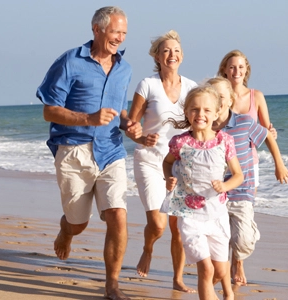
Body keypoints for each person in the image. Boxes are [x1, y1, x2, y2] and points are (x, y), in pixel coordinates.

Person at [36, 6, 139, 300]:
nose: (119, 38)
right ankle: (66, 230)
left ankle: (112, 284)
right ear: (96, 29)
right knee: (79, 223)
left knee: (118, 214)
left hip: (112, 150)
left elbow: (117, 109)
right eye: (114, 31)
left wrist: (130, 124)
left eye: (123, 33)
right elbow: (49, 111)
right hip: (73, 151)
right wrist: (88, 119)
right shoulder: (69, 62)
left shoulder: (124, 69)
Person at [126, 29, 198, 293]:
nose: (172, 55)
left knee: (178, 226)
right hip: (149, 160)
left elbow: (203, 119)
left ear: (182, 56)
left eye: (176, 51)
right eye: (166, 50)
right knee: (157, 224)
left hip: (179, 164)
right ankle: (148, 247)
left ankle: (177, 278)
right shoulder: (147, 84)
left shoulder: (191, 87)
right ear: (157, 56)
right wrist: (138, 135)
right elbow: (131, 124)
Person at [161, 85, 243, 300]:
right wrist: (169, 178)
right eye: (195, 109)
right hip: (190, 216)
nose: (201, 114)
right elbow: (167, 163)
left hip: (217, 215)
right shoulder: (180, 142)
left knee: (221, 271)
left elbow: (238, 175)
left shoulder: (224, 140)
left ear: (217, 113)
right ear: (187, 112)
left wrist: (225, 186)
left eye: (207, 110)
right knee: (205, 270)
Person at [216, 50, 288, 284]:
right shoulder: (218, 95)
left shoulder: (255, 96)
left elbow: (267, 130)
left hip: (248, 164)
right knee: (223, 214)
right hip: (220, 166)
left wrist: (279, 162)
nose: (236, 71)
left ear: (246, 70)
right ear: (225, 70)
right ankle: (224, 262)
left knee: (242, 210)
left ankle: (238, 262)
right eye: (232, 67)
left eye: (241, 67)